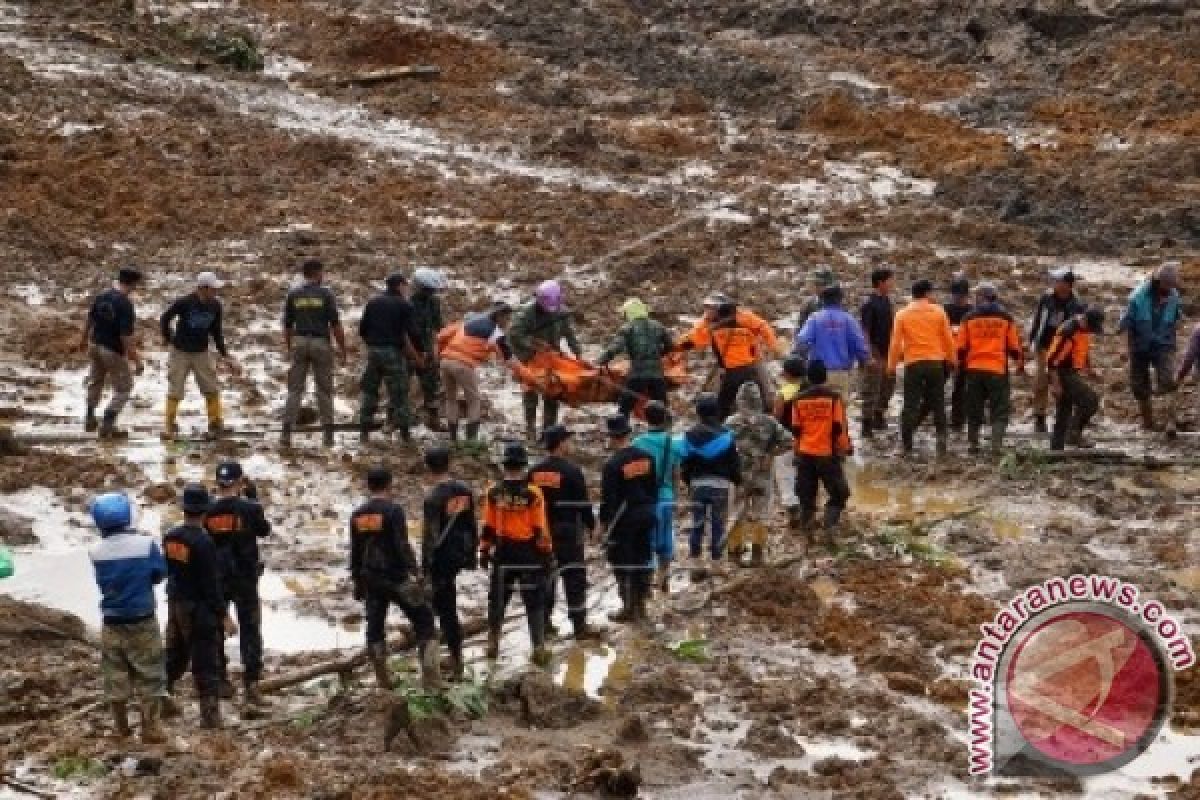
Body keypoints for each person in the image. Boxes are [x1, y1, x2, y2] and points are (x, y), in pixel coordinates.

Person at [350, 467, 441, 689]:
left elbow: (356, 551)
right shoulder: (393, 511)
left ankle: (384, 680)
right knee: (425, 619)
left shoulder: (358, 514)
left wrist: (357, 581)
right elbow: (402, 544)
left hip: (371, 578)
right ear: (390, 484)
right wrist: (416, 571)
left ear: (369, 485)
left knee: (375, 626)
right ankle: (431, 679)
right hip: (397, 578)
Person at [88, 492, 167, 744]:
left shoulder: (95, 551)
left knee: (115, 675)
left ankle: (121, 727)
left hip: (112, 621)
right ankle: (150, 727)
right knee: (150, 673)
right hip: (142, 619)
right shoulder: (145, 545)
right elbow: (159, 574)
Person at [204, 461, 271, 706]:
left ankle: (221, 680)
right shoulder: (250, 508)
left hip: (217, 578)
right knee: (250, 630)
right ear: (240, 482)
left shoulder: (208, 511)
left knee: (216, 629)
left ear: (218, 484)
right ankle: (251, 684)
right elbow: (264, 531)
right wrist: (255, 499)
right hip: (245, 576)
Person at [480, 443, 554, 667]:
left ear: (505, 465)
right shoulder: (533, 493)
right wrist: (547, 553)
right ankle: (538, 648)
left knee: (498, 599)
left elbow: (488, 526)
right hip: (528, 552)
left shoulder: (493, 492)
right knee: (534, 600)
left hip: (503, 551)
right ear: (523, 466)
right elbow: (540, 527)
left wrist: (484, 549)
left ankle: (492, 644)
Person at [528, 425, 601, 640]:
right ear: (560, 443)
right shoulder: (572, 471)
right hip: (568, 530)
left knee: (546, 577)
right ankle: (579, 626)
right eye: (567, 440)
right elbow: (583, 503)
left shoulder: (533, 472)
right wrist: (592, 525)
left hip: (541, 531)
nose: (570, 444)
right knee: (574, 577)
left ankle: (545, 625)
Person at [163, 484, 226, 729]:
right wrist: (223, 615)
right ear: (204, 511)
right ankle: (210, 718)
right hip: (199, 609)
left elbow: (170, 571)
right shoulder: (204, 543)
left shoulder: (171, 537)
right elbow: (211, 584)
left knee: (176, 653)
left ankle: (161, 696)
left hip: (176, 602)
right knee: (206, 661)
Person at [420, 446, 479, 681]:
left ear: (428, 468)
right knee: (448, 606)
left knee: (434, 610)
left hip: (441, 559)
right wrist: (472, 555)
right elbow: (472, 525)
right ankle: (455, 656)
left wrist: (425, 568)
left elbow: (430, 536)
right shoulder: (464, 490)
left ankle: (441, 664)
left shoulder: (433, 497)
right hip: (460, 553)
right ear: (449, 463)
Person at [676, 294, 781, 420]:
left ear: (720, 308)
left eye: (711, 308)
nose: (707, 312)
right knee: (729, 395)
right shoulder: (707, 322)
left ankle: (768, 412)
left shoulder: (743, 317)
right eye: (706, 308)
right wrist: (675, 347)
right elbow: (693, 338)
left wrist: (774, 346)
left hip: (753, 359)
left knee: (764, 390)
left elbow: (763, 327)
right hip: (731, 364)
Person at [887, 279, 958, 457]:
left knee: (910, 404)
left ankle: (906, 445)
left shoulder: (902, 314)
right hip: (935, 363)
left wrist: (891, 366)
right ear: (927, 293)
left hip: (914, 363)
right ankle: (941, 444)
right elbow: (948, 339)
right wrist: (952, 360)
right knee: (938, 403)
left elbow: (895, 343)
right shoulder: (939, 311)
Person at [282, 259, 347, 448]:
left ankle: (286, 433)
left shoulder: (293, 294)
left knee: (294, 390)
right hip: (320, 343)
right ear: (317, 273)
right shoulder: (326, 294)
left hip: (300, 341)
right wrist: (343, 349)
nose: (323, 276)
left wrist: (288, 347)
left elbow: (287, 325)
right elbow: (335, 324)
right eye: (322, 272)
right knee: (324, 391)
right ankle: (328, 435)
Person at [599, 415, 658, 623]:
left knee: (621, 561)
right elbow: (653, 487)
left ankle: (628, 607)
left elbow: (609, 500)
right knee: (642, 557)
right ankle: (641, 606)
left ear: (612, 437)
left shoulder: (612, 464)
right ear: (628, 434)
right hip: (647, 513)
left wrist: (603, 526)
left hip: (624, 520)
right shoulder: (646, 457)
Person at [159, 271, 232, 440]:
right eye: (213, 288)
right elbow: (165, 318)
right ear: (203, 288)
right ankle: (169, 425)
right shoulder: (184, 302)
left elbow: (216, 331)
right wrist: (168, 338)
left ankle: (215, 422)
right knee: (175, 389)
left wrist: (225, 354)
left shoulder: (215, 305)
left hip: (201, 353)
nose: (216, 291)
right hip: (180, 352)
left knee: (211, 388)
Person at [725, 383, 790, 566]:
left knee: (737, 513)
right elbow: (790, 441)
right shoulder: (769, 422)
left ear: (740, 401)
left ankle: (734, 554)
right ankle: (757, 555)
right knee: (761, 514)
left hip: (739, 476)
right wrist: (771, 454)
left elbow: (721, 446)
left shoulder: (730, 422)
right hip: (762, 476)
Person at [508, 280, 584, 440]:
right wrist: (534, 345)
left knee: (553, 393)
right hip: (529, 357)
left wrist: (578, 355)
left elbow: (570, 335)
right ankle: (530, 429)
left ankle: (548, 432)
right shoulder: (525, 313)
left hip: (551, 358)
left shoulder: (561, 312)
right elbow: (514, 335)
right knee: (530, 392)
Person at [956, 284, 1024, 456]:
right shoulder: (1006, 318)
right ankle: (996, 446)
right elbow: (1014, 348)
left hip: (974, 369)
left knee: (974, 408)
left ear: (981, 297)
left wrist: (959, 366)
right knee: (1000, 410)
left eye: (976, 296)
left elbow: (961, 348)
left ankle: (973, 444)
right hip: (997, 370)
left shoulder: (968, 318)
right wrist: (1020, 365)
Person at [357, 272, 425, 444]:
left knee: (370, 391)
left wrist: (372, 345)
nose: (407, 289)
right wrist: (419, 354)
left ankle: (364, 432)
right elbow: (413, 333)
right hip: (393, 352)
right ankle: (405, 435)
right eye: (406, 285)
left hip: (373, 351)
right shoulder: (405, 305)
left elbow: (362, 329)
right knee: (399, 394)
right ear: (400, 285)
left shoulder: (373, 302)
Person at [788, 360, 852, 537]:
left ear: (808, 376)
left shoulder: (798, 400)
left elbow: (796, 430)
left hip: (805, 454)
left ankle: (807, 529)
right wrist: (847, 448)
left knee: (806, 496)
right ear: (825, 377)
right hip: (827, 454)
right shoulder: (833, 398)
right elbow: (839, 428)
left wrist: (796, 453)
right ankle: (829, 526)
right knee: (840, 494)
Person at [1119, 262, 1183, 437]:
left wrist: (1171, 343)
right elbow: (1127, 322)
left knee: (1169, 381)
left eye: (1171, 287)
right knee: (1139, 386)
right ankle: (1148, 423)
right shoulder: (1137, 297)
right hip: (1140, 345)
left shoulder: (1174, 296)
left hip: (1163, 344)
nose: (1168, 290)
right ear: (1157, 282)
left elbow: (1176, 319)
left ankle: (1171, 423)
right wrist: (1127, 346)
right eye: (1166, 287)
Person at [438, 302, 517, 442]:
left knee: (451, 399)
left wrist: (440, 354)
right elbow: (509, 358)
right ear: (499, 316)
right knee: (474, 402)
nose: (508, 322)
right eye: (507, 318)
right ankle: (471, 442)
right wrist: (528, 376)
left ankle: (453, 439)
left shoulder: (468, 322)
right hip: (463, 365)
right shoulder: (495, 332)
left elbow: (441, 337)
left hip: (445, 361)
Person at [81, 267, 144, 438]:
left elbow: (90, 319)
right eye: (136, 285)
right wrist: (136, 361)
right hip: (111, 349)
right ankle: (108, 422)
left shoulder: (102, 296)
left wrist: (83, 340)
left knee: (96, 380)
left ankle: (89, 416)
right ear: (132, 284)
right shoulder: (125, 304)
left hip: (94, 344)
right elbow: (125, 337)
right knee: (124, 388)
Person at [679, 393, 742, 563]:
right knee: (718, 524)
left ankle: (695, 559)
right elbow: (734, 463)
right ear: (717, 411)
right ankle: (716, 560)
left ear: (698, 412)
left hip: (697, 484)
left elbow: (684, 463)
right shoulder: (727, 435)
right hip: (721, 485)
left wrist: (688, 481)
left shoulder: (689, 435)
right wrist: (738, 481)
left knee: (697, 523)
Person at [632, 402, 684, 593]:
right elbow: (676, 474)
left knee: (648, 540)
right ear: (664, 418)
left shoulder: (637, 443)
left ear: (645, 418)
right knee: (666, 538)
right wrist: (677, 499)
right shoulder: (674, 443)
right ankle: (664, 580)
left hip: (645, 499)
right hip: (666, 496)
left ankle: (648, 585)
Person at [596, 297, 674, 417]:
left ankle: (620, 431)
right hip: (657, 374)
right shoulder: (658, 326)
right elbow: (670, 346)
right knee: (661, 408)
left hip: (637, 374)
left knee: (625, 408)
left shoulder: (627, 328)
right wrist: (657, 355)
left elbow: (615, 348)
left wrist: (600, 361)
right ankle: (665, 432)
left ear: (629, 313)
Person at [1028, 269, 1084, 433]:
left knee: (1063, 383)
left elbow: (1079, 332)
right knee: (1041, 381)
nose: (1054, 283)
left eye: (1058, 281)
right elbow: (1038, 319)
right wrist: (1033, 340)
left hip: (1063, 350)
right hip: (1044, 345)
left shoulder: (1076, 304)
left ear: (1067, 285)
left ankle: (1062, 418)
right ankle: (1039, 417)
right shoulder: (1046, 298)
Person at [794, 285, 870, 399]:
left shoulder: (814, 318)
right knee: (839, 410)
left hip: (818, 375)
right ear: (840, 299)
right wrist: (864, 360)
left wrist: (802, 364)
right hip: (841, 373)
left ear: (823, 300)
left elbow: (801, 341)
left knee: (820, 409)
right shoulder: (848, 319)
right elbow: (858, 344)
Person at [1047, 308, 1106, 451]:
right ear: (1084, 320)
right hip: (1061, 373)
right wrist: (1056, 385)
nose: (1092, 331)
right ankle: (1073, 434)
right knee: (1090, 400)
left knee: (1064, 411)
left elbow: (1082, 351)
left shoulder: (1083, 330)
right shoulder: (1068, 332)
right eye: (1091, 327)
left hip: (1070, 372)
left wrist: (1090, 370)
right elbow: (1051, 361)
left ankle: (1056, 448)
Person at [859, 267, 896, 438]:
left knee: (888, 385)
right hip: (875, 351)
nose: (892, 283)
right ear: (880, 282)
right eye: (890, 280)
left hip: (888, 350)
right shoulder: (869, 303)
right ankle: (866, 425)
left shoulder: (887, 300)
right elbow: (865, 330)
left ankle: (878, 416)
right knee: (871, 388)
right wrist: (870, 354)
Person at [411, 268, 449, 431]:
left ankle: (433, 420)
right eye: (427, 289)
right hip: (409, 349)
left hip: (427, 349)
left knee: (432, 386)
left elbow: (438, 325)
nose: (429, 292)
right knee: (400, 386)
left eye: (431, 290)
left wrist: (443, 347)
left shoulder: (434, 302)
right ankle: (393, 421)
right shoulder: (407, 303)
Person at [773, 356, 808, 524]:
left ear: (787, 374)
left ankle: (792, 506)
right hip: (809, 440)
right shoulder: (811, 390)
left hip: (787, 440)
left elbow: (776, 419)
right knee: (805, 474)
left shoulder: (783, 393)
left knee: (785, 473)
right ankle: (807, 506)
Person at [943, 274, 973, 433]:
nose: (958, 298)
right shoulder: (944, 310)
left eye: (961, 295)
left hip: (964, 355)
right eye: (956, 295)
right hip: (946, 355)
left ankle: (957, 421)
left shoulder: (971, 312)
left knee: (960, 390)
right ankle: (940, 419)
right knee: (937, 388)